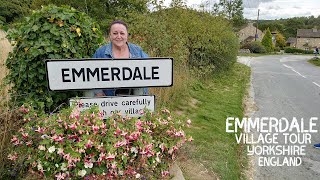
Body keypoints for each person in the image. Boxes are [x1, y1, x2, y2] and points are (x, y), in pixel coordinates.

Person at [90, 20, 149, 97]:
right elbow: (91, 76)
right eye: (115, 33)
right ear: (110, 35)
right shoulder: (100, 53)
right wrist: (98, 93)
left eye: (122, 33)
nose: (119, 36)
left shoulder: (137, 51)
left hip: (135, 100)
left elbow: (148, 71)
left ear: (127, 35)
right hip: (109, 101)